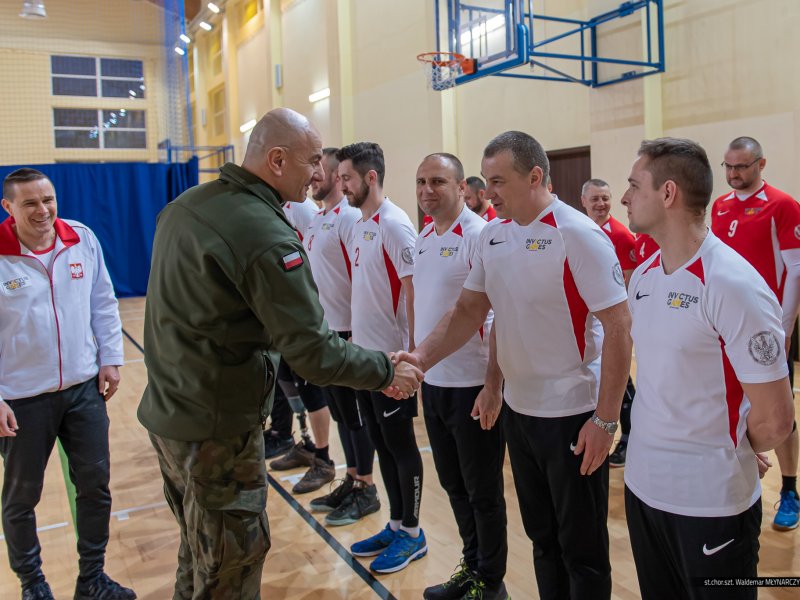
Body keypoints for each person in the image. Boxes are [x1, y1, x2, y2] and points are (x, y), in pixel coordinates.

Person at [137, 109, 422, 599]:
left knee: (198, 554)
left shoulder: (186, 206)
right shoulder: (262, 230)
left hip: (171, 415)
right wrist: (385, 370)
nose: (319, 174)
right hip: (217, 427)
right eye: (311, 162)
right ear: (275, 159)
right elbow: (313, 352)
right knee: (229, 568)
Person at [395, 131, 632, 599]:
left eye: (499, 181)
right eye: (487, 181)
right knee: (543, 540)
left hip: (571, 415)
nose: (488, 192)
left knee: (581, 550)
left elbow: (619, 328)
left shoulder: (577, 234)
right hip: (520, 416)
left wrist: (606, 420)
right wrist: (419, 359)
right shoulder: (494, 236)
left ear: (535, 176)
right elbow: (469, 311)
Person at [621, 137, 795, 599]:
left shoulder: (732, 284)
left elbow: (777, 418)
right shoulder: (645, 275)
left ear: (668, 193)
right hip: (642, 489)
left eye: (634, 186)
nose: (624, 198)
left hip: (709, 505)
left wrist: (732, 444)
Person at [0, 168, 135, 600]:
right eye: (30, 203)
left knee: (95, 486)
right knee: (22, 497)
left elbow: (103, 301)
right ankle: (32, 584)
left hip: (83, 390)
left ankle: (92, 579)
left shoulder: (81, 238)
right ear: (8, 207)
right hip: (21, 399)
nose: (43, 210)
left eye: (48, 200)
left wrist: (110, 359)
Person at [414, 153, 508, 600]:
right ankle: (471, 568)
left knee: (482, 491)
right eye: (421, 182)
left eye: (437, 181)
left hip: (472, 386)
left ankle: (491, 583)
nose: (427, 190)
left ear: (460, 187)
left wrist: (493, 385)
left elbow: (497, 316)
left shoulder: (479, 235)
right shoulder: (423, 237)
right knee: (454, 486)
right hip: (435, 384)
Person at [336, 142, 427, 574]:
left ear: (370, 177)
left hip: (392, 361)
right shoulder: (360, 225)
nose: (342, 186)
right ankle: (395, 524)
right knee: (381, 444)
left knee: (400, 444)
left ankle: (413, 532)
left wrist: (410, 359)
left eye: (347, 178)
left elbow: (414, 292)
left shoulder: (395, 224)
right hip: (365, 361)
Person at [710, 136, 800, 531]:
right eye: (728, 166)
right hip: (724, 328)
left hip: (766, 331)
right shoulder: (719, 206)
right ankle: (734, 474)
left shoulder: (783, 205)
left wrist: (785, 327)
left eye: (741, 166)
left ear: (761, 165)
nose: (733, 173)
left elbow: (795, 270)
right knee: (727, 404)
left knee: (779, 413)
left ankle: (790, 490)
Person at [301, 147, 381, 525]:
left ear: (336, 177)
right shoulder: (319, 219)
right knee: (342, 416)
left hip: (348, 332)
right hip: (325, 332)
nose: (312, 177)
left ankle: (366, 486)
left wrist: (354, 332)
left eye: (319, 172)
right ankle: (351, 478)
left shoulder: (349, 218)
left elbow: (359, 276)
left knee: (356, 417)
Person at [580, 179, 637, 467]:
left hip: (611, 325)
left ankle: (628, 439)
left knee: (621, 382)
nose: (601, 204)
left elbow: (627, 286)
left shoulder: (622, 236)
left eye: (605, 198)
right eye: (595, 199)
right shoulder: (580, 231)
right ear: (584, 202)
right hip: (590, 324)